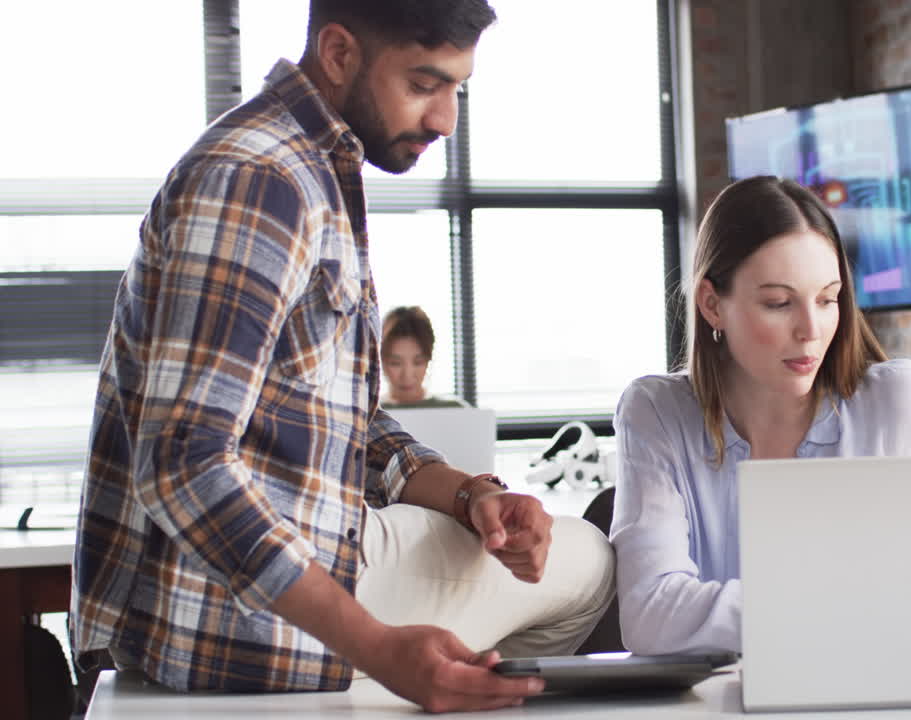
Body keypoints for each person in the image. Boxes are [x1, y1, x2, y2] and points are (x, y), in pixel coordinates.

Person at [70, 1, 613, 713]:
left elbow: (338, 423)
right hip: (216, 625)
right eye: (424, 84)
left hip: (280, 587)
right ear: (337, 54)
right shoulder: (259, 179)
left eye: (458, 89)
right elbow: (182, 461)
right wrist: (377, 647)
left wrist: (467, 494)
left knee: (570, 560)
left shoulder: (314, 169)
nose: (447, 120)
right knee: (591, 565)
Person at [610, 176, 911, 656]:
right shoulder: (656, 413)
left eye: (828, 299)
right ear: (712, 305)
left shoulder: (903, 403)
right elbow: (651, 616)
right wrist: (856, 604)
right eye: (778, 303)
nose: (811, 329)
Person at [381, 305, 469, 408]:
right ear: (381, 360)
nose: (407, 375)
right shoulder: (366, 415)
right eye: (395, 363)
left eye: (418, 362)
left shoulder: (456, 411)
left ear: (429, 359)